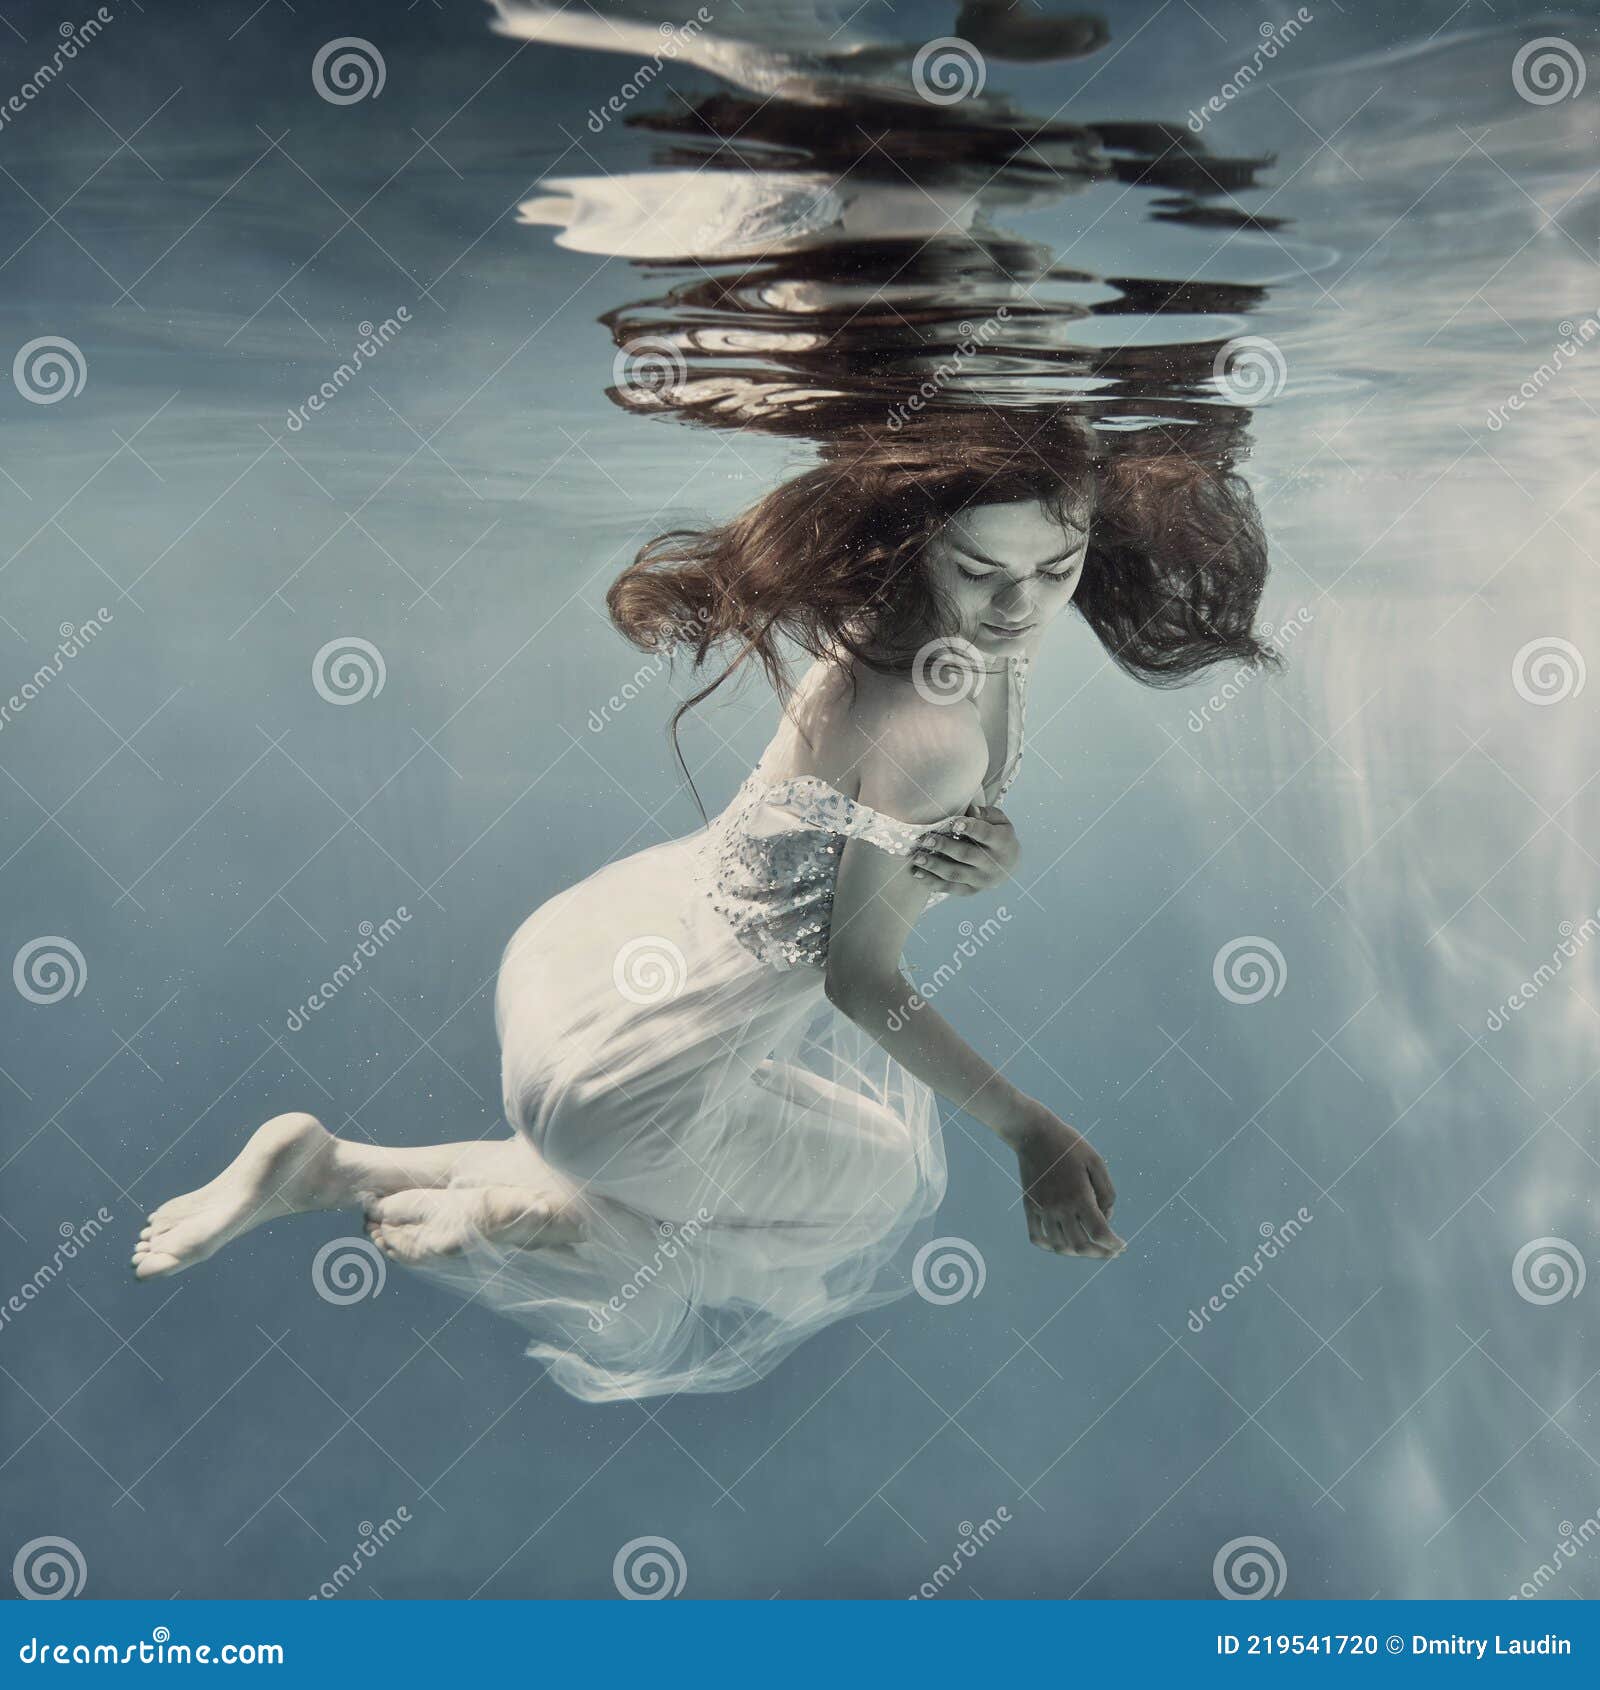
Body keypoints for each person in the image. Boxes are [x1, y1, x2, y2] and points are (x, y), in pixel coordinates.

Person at [134, 413, 1279, 1402]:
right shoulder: (926, 721)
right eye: (984, 571)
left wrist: (982, 852)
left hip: (587, 962)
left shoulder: (909, 636)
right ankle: (510, 1217)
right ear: (919, 544)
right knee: (870, 1203)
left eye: (1059, 564)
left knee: (800, 1164)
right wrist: (1034, 1128)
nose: (1023, 604)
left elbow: (881, 818)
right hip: (630, 1073)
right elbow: (858, 978)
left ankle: (330, 1165)